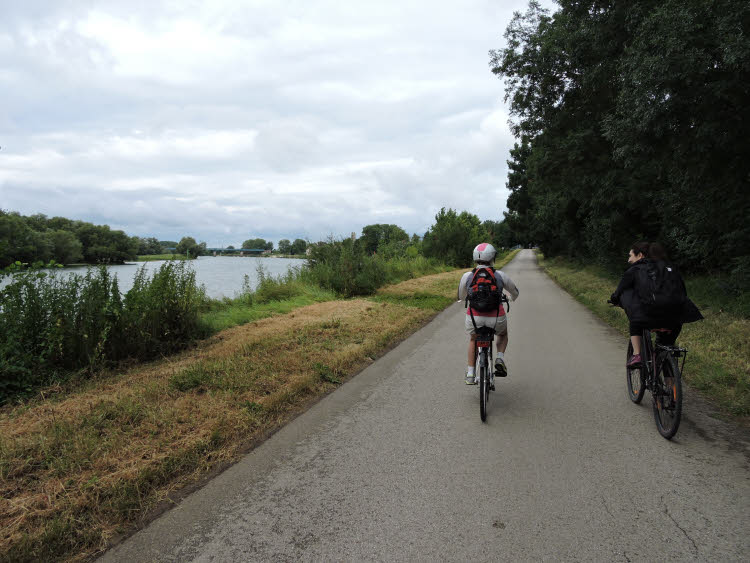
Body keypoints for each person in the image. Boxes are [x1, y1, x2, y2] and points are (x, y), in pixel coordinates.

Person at [609, 241, 702, 367]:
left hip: (650, 317)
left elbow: (620, 291)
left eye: (630, 256)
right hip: (677, 317)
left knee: (635, 321)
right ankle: (672, 386)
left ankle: (637, 355)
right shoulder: (670, 268)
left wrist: (614, 300)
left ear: (640, 255)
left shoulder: (637, 269)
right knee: (665, 348)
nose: (628, 259)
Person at [457, 243, 520, 384]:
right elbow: (515, 293)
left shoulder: (467, 276)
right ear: (492, 257)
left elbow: (461, 297)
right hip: (496, 319)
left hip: (474, 318)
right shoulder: (500, 275)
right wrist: (509, 298)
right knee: (503, 334)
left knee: (473, 339)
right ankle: (499, 358)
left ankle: (471, 374)